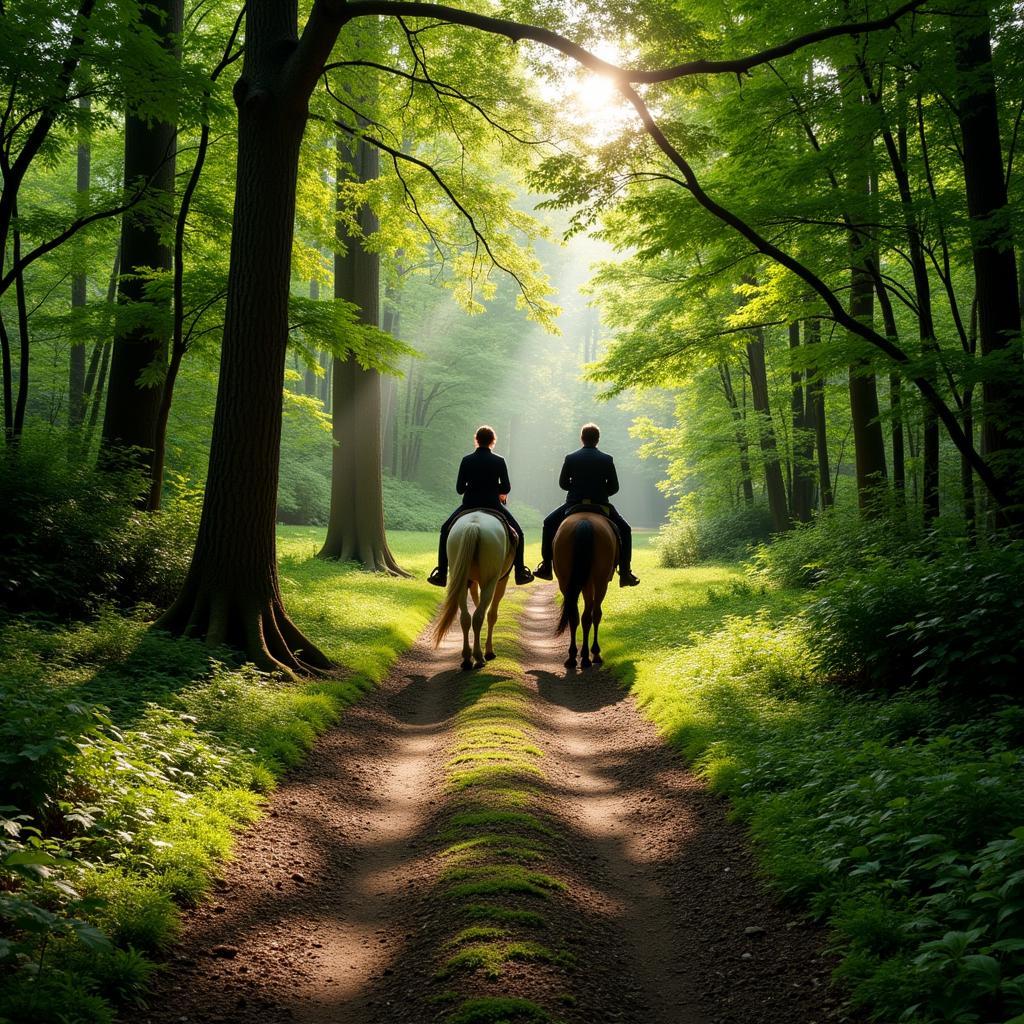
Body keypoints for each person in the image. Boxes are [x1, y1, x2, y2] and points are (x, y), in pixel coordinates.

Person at [534, 423, 640, 587]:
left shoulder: (571, 458)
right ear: (598, 439)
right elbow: (614, 487)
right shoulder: (607, 459)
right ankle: (625, 573)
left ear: (582, 438)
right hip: (600, 504)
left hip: (574, 503)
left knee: (548, 523)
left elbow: (563, 483)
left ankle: (546, 566)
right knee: (625, 530)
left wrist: (576, 488)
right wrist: (601, 492)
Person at [427, 425, 534, 588]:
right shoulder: (499, 460)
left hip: (469, 504)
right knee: (519, 533)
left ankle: (441, 573)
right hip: (493, 504)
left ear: (476, 440)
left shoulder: (467, 460)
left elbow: (459, 489)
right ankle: (520, 572)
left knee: (444, 530)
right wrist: (494, 489)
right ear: (493, 441)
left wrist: (473, 485)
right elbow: (506, 488)